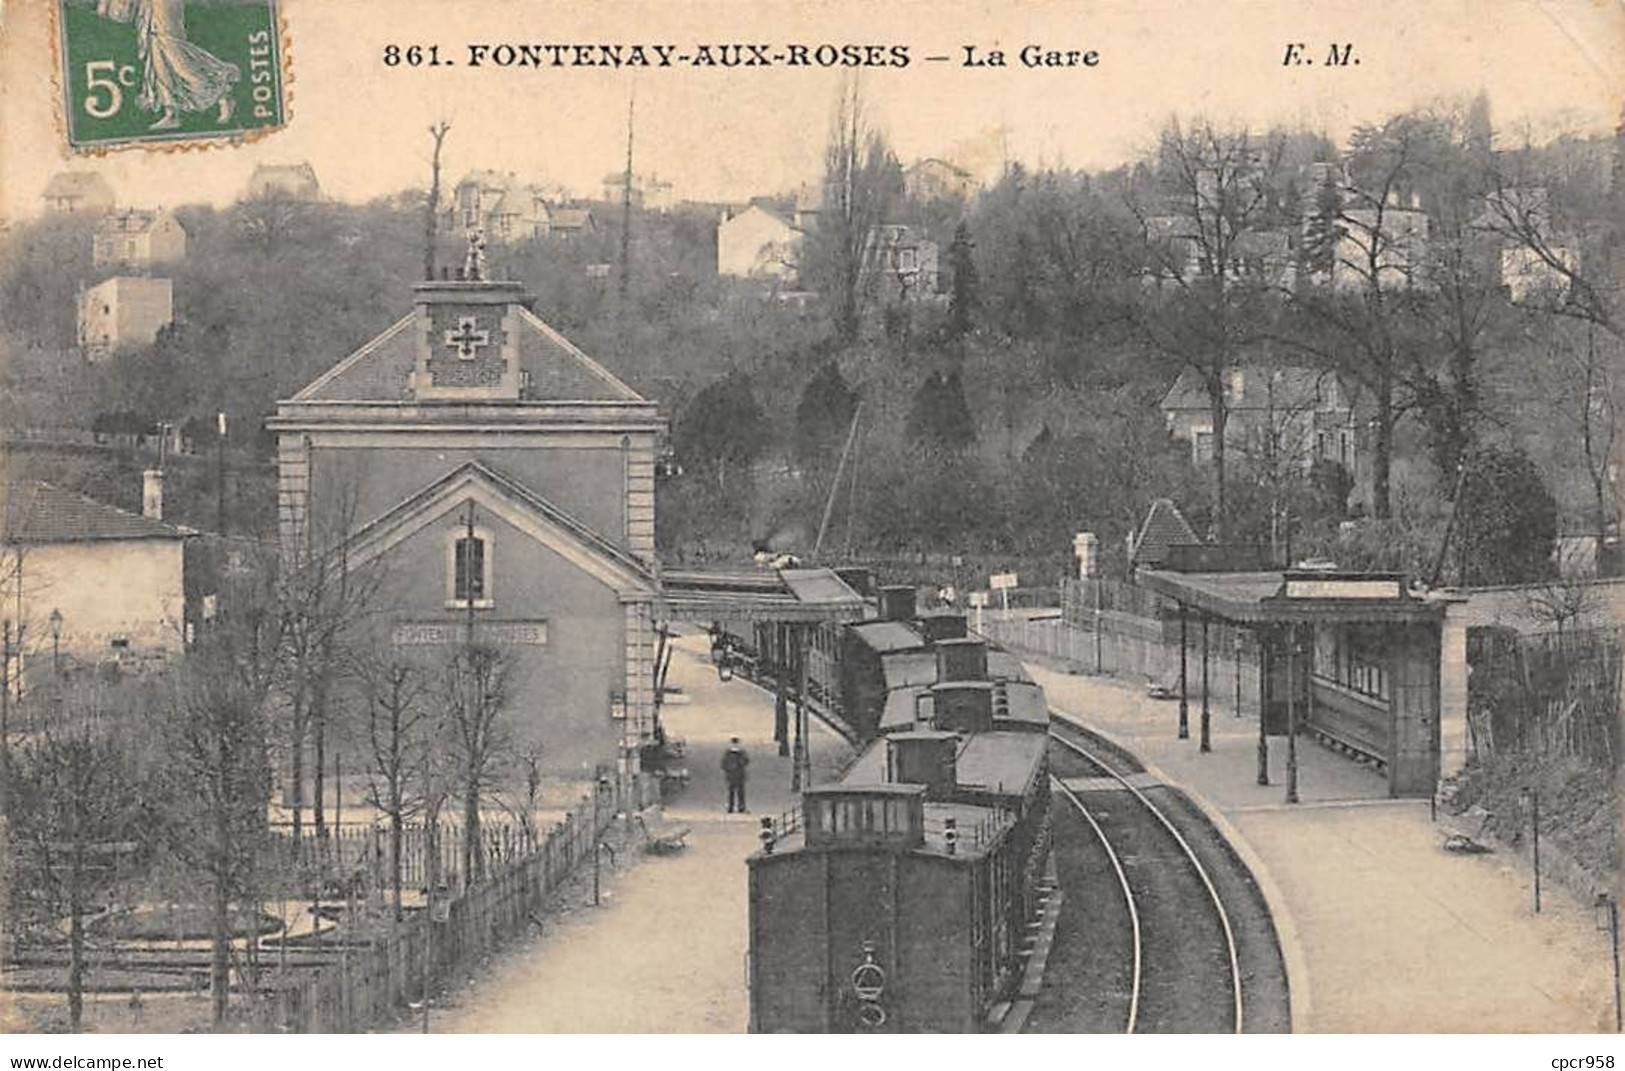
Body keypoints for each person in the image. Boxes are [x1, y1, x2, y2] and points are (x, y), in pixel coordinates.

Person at [721, 737, 749, 814]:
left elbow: (723, 764)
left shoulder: (728, 753)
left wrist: (727, 769)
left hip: (732, 775)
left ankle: (731, 806)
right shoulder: (742, 753)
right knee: (739, 791)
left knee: (732, 791)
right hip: (739, 774)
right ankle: (740, 806)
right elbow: (746, 761)